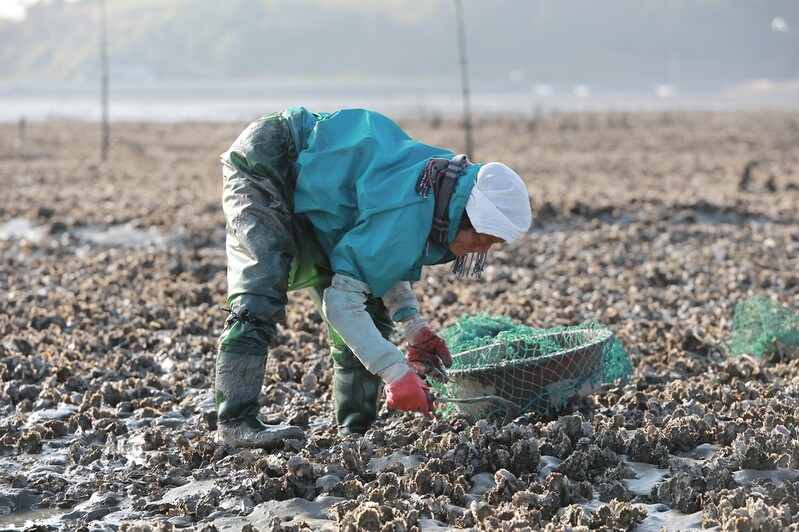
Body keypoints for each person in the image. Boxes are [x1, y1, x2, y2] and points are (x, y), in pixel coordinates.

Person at [215, 107, 532, 448]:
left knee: (368, 303)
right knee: (263, 283)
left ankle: (354, 430)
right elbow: (342, 302)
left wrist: (413, 325)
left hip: (326, 196)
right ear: (467, 217)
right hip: (273, 158)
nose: (481, 251)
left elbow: (379, 259)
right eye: (484, 239)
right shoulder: (414, 207)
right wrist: (395, 373)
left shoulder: (440, 192)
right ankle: (235, 420)